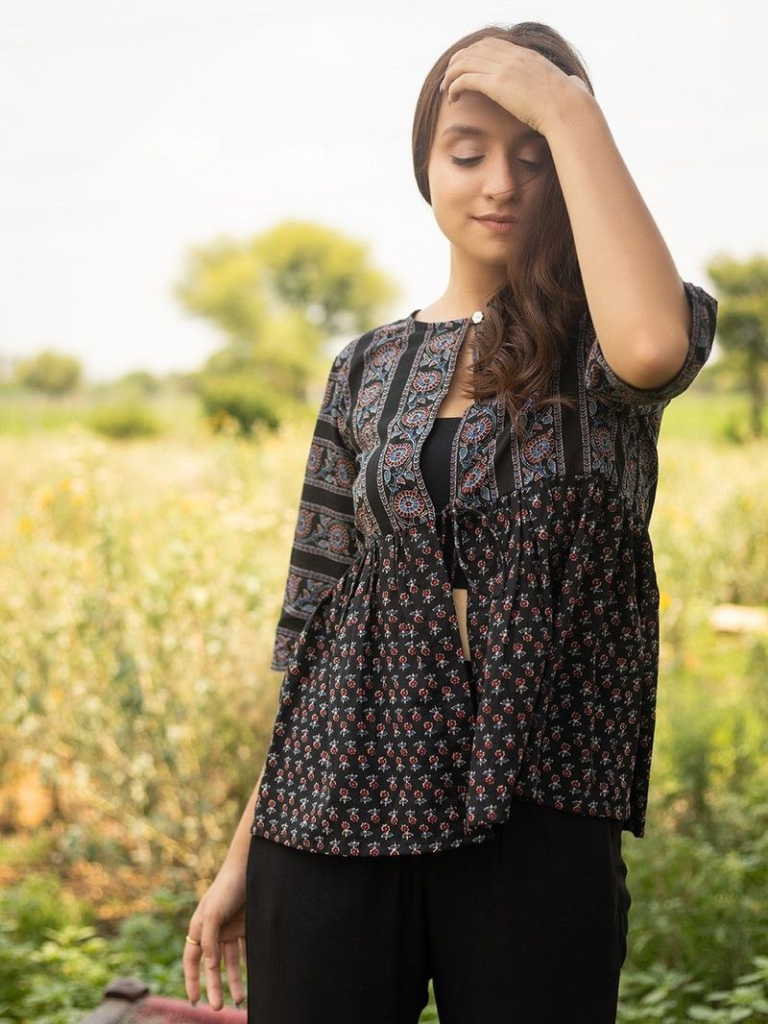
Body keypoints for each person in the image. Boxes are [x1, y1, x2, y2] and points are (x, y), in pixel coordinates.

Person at [183, 20, 718, 1023]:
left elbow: (652, 344)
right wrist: (241, 857)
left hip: (539, 807)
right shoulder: (364, 369)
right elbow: (318, 631)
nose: (502, 184)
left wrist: (564, 101)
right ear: (424, 166)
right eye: (467, 151)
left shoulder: (604, 349)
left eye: (537, 155)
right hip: (330, 809)